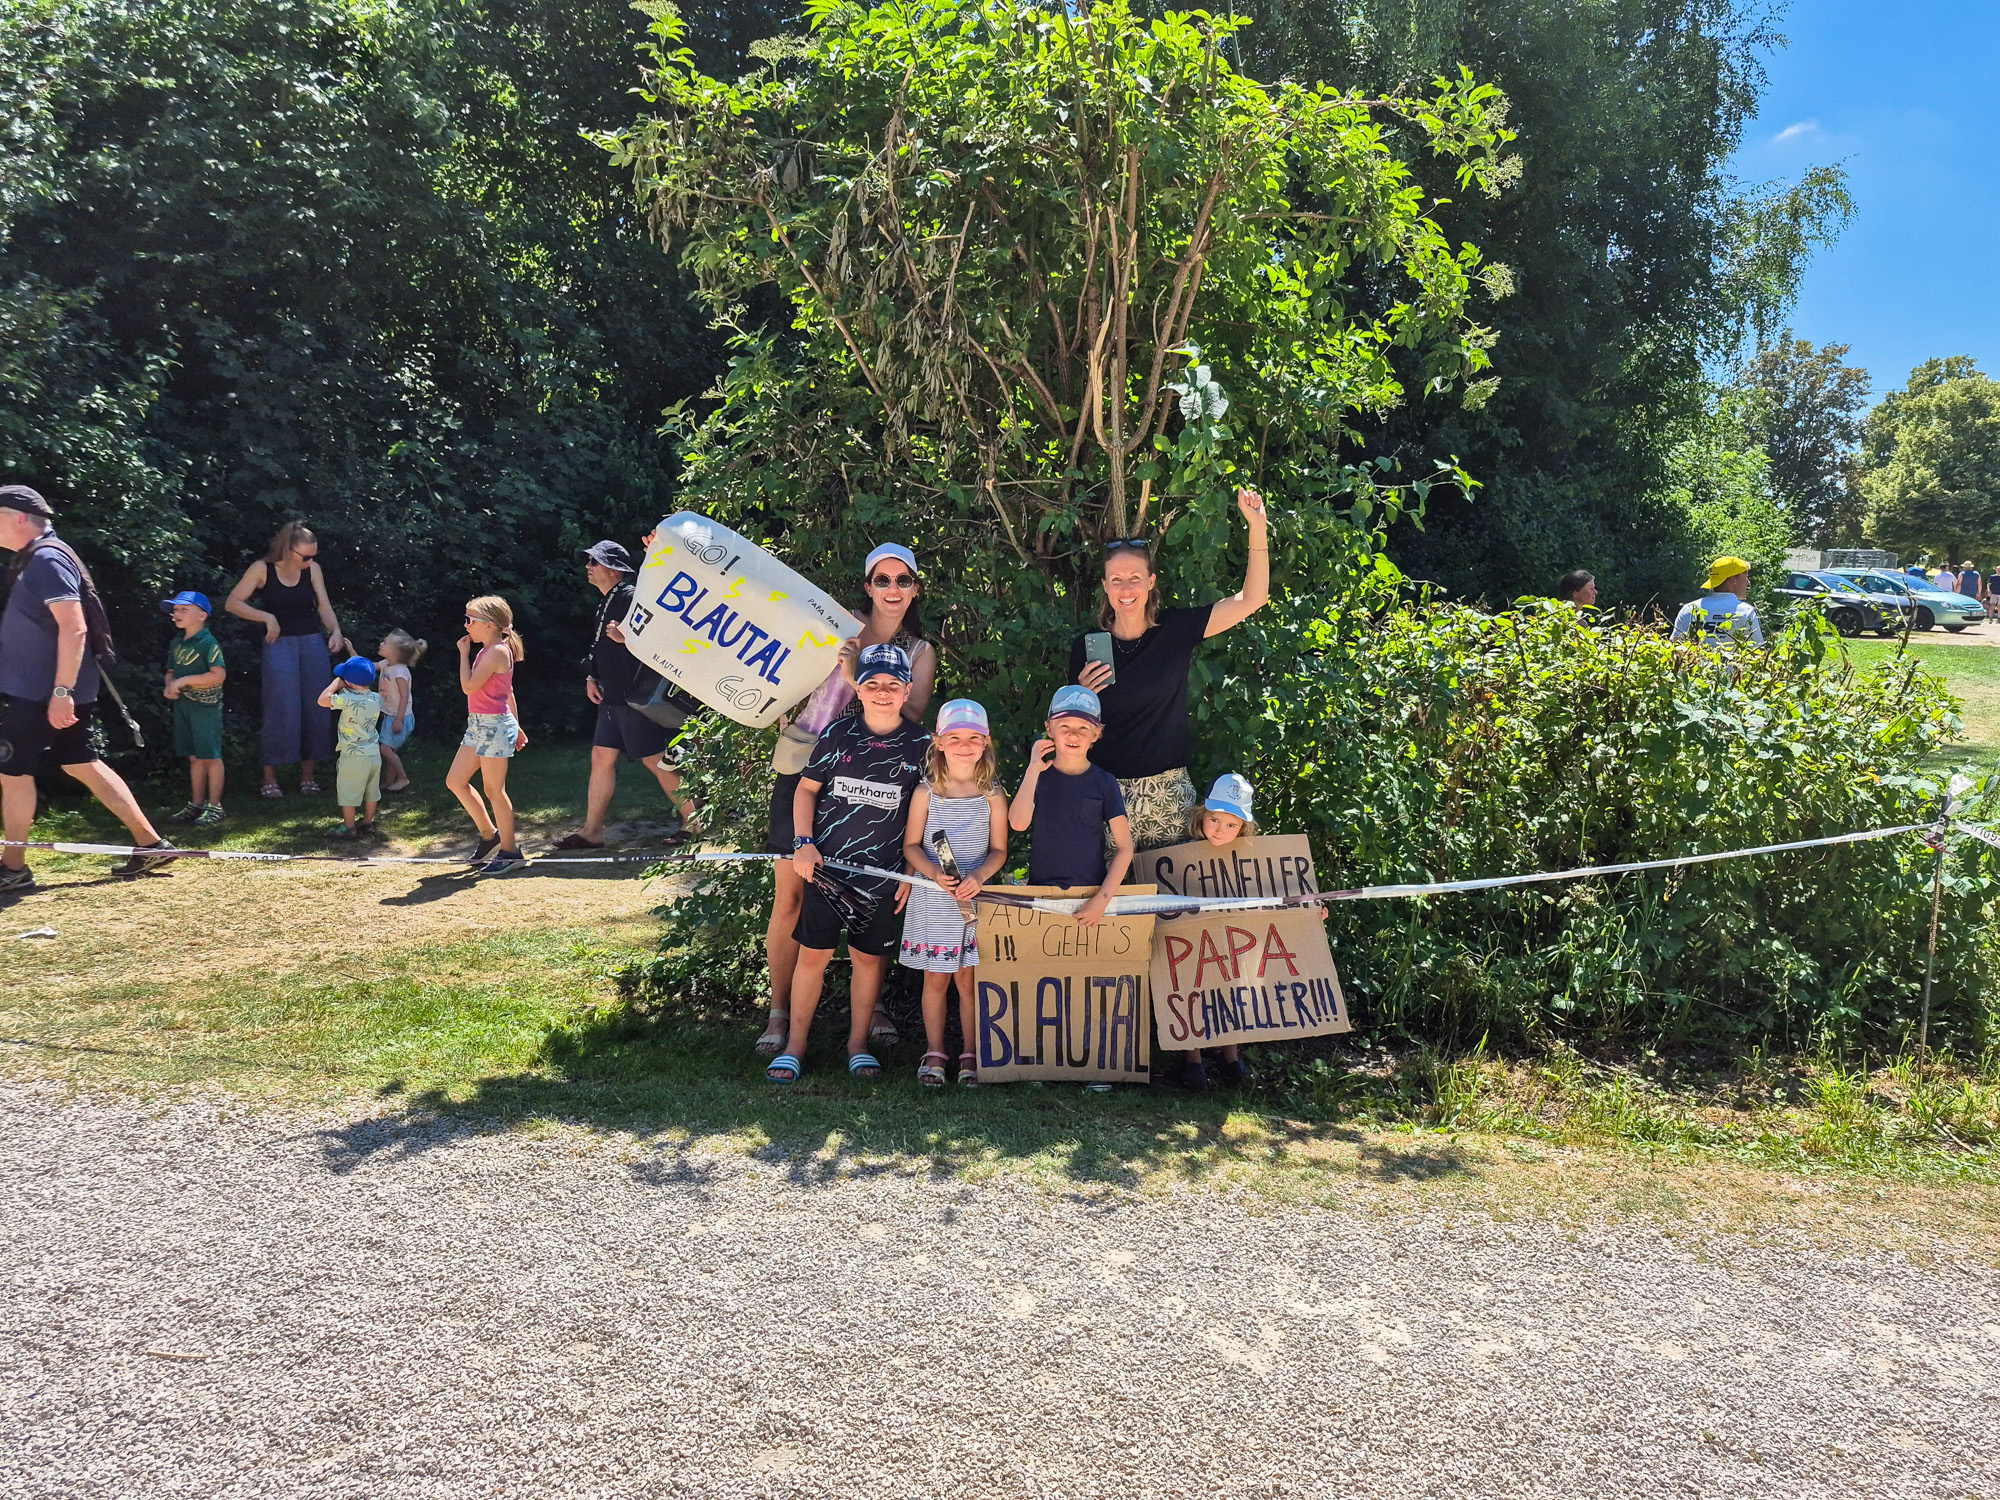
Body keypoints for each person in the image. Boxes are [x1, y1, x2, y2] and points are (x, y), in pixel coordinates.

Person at [756, 542, 938, 1056]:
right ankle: (778, 1013)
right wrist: (678, 556)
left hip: (873, 783)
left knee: (871, 897)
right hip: (805, 774)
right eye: (883, 580)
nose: (893, 590)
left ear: (915, 588)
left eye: (903, 580)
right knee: (790, 897)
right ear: (867, 585)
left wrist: (860, 676)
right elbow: (756, 609)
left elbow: (914, 714)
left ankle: (872, 1008)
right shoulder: (836, 623)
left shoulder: (920, 652)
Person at [0, 485, 178, 891]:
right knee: (80, 762)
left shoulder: (46, 559)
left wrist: (61, 692)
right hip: (50, 691)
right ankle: (152, 844)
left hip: (45, 693)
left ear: (19, 517)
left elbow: (74, 626)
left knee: (11, 771)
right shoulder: (40, 557)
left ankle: (12, 869)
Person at [765, 643, 929, 1086]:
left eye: (892, 685)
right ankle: (796, 1045)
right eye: (872, 683)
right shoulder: (838, 735)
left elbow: (927, 813)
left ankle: (858, 1045)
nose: (881, 692)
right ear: (857, 686)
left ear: (907, 690)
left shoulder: (921, 745)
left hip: (882, 878)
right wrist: (803, 843)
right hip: (827, 872)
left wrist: (911, 874)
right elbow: (805, 791)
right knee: (812, 957)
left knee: (868, 961)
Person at [1070, 488, 1268, 852]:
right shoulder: (1086, 648)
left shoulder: (1176, 630)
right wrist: (1079, 700)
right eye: (1116, 579)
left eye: (1134, 577)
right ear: (1104, 586)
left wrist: (1257, 526)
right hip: (1106, 795)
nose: (1126, 588)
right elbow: (1072, 739)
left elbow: (1251, 599)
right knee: (1114, 906)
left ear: (1150, 582)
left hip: (1170, 798)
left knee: (1176, 908)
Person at [1169, 773, 1331, 1091]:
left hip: (1233, 943)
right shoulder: (1180, 856)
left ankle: (1230, 1059)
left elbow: (1279, 892)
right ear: (1203, 816)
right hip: (1192, 943)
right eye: (1215, 820)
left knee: (1231, 992)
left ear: (1243, 828)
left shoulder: (1253, 860)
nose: (1220, 829)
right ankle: (1193, 1062)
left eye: (1231, 825)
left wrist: (1310, 909)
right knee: (1188, 990)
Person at [556, 539, 700, 851]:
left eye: (594, 562)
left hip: (634, 697)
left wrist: (628, 639)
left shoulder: (634, 596)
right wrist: (592, 676)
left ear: (613, 569)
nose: (588, 568)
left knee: (655, 760)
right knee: (601, 757)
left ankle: (695, 821)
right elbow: (601, 646)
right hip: (612, 697)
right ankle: (592, 832)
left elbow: (664, 637)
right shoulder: (605, 601)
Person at [898, 698, 1009, 1088]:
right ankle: (934, 1051)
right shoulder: (927, 792)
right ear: (939, 741)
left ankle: (971, 1052)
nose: (965, 745)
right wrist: (931, 873)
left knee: (968, 980)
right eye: (956, 737)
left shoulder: (993, 795)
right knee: (936, 979)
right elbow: (912, 845)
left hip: (974, 901)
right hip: (934, 898)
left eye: (974, 738)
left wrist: (979, 876)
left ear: (986, 742)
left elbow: (999, 851)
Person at [223, 521, 346, 798]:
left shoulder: (312, 570)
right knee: (281, 707)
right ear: (288, 550)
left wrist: (335, 631)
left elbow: (323, 605)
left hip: (312, 642)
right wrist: (266, 617)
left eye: (314, 555)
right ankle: (270, 780)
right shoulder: (262, 569)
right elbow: (233, 603)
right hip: (278, 646)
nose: (310, 560)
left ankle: (308, 778)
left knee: (318, 705)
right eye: (305, 556)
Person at [1008, 685, 1134, 927]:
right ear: (1049, 729)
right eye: (1064, 726)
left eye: (1083, 728)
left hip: (1090, 896)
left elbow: (1125, 848)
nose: (1073, 735)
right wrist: (1033, 769)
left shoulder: (1104, 783)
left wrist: (1101, 901)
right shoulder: (1038, 776)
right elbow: (1018, 823)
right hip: (1042, 896)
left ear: (1096, 734)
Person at [448, 595, 528, 874]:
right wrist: (516, 725)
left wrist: (462, 655)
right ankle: (489, 835)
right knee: (456, 781)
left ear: (490, 625)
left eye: (471, 620)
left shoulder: (495, 651)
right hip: (480, 725)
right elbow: (509, 692)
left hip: (493, 726)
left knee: (494, 790)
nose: (466, 625)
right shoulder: (489, 649)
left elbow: (469, 686)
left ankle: (510, 851)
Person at [160, 591, 227, 827]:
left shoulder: (208, 643)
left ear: (202, 615)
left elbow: (218, 675)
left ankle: (215, 806)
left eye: (183, 609)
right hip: (184, 706)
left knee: (210, 756)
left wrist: (183, 682)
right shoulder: (177, 643)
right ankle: (196, 804)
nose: (176, 614)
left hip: (206, 708)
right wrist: (170, 684)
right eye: (175, 610)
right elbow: (171, 671)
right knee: (195, 757)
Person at [317, 656, 384, 839]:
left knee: (348, 789)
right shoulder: (376, 698)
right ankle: (368, 823)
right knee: (372, 790)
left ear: (348, 681)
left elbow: (322, 700)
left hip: (352, 754)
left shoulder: (346, 698)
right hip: (373, 752)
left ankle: (349, 827)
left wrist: (335, 685)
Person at [1670, 556, 1764, 646]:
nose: (1748, 583)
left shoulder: (1688, 610)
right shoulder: (1746, 612)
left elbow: (1675, 647)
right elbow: (1758, 652)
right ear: (1733, 579)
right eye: (1746, 578)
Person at [375, 629, 424, 794]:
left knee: (385, 750)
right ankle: (390, 782)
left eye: (385, 643)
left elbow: (404, 697)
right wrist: (352, 652)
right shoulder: (385, 664)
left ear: (395, 652)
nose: (381, 643)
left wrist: (399, 720)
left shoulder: (400, 672)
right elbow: (366, 667)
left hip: (400, 717)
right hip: (390, 715)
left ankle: (403, 779)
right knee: (390, 751)